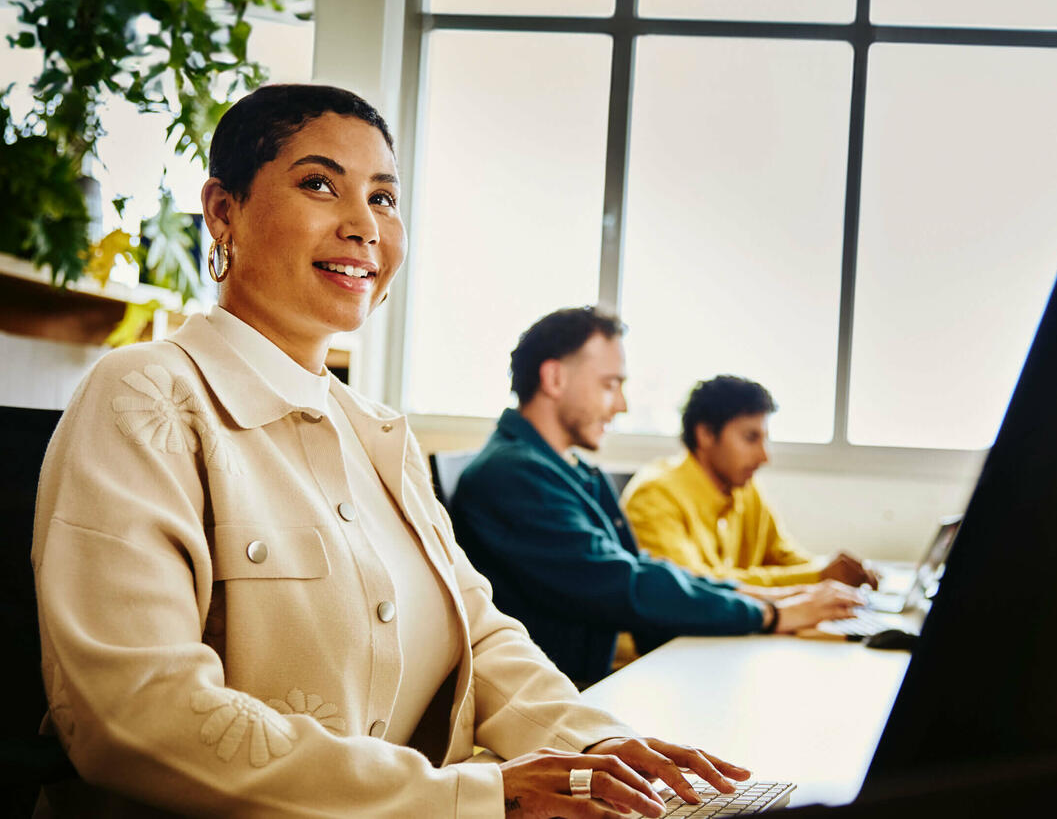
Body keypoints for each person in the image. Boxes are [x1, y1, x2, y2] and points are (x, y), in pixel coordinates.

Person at [32, 84, 750, 818]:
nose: (363, 226)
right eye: (319, 185)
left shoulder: (377, 434)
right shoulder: (144, 396)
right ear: (224, 211)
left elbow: (479, 629)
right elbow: (135, 715)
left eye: (383, 198)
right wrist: (474, 797)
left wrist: (594, 747)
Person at [450, 308, 861, 688]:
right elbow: (624, 584)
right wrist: (773, 614)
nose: (623, 405)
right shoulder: (514, 475)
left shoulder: (568, 470)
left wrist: (773, 598)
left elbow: (641, 567)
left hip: (585, 689)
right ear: (554, 379)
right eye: (611, 385)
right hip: (560, 700)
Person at [622, 375, 878, 590]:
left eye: (764, 439)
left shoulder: (744, 488)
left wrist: (834, 572)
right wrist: (817, 577)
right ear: (706, 434)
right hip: (667, 647)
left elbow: (782, 555)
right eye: (750, 438)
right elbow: (696, 588)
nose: (764, 457)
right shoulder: (655, 495)